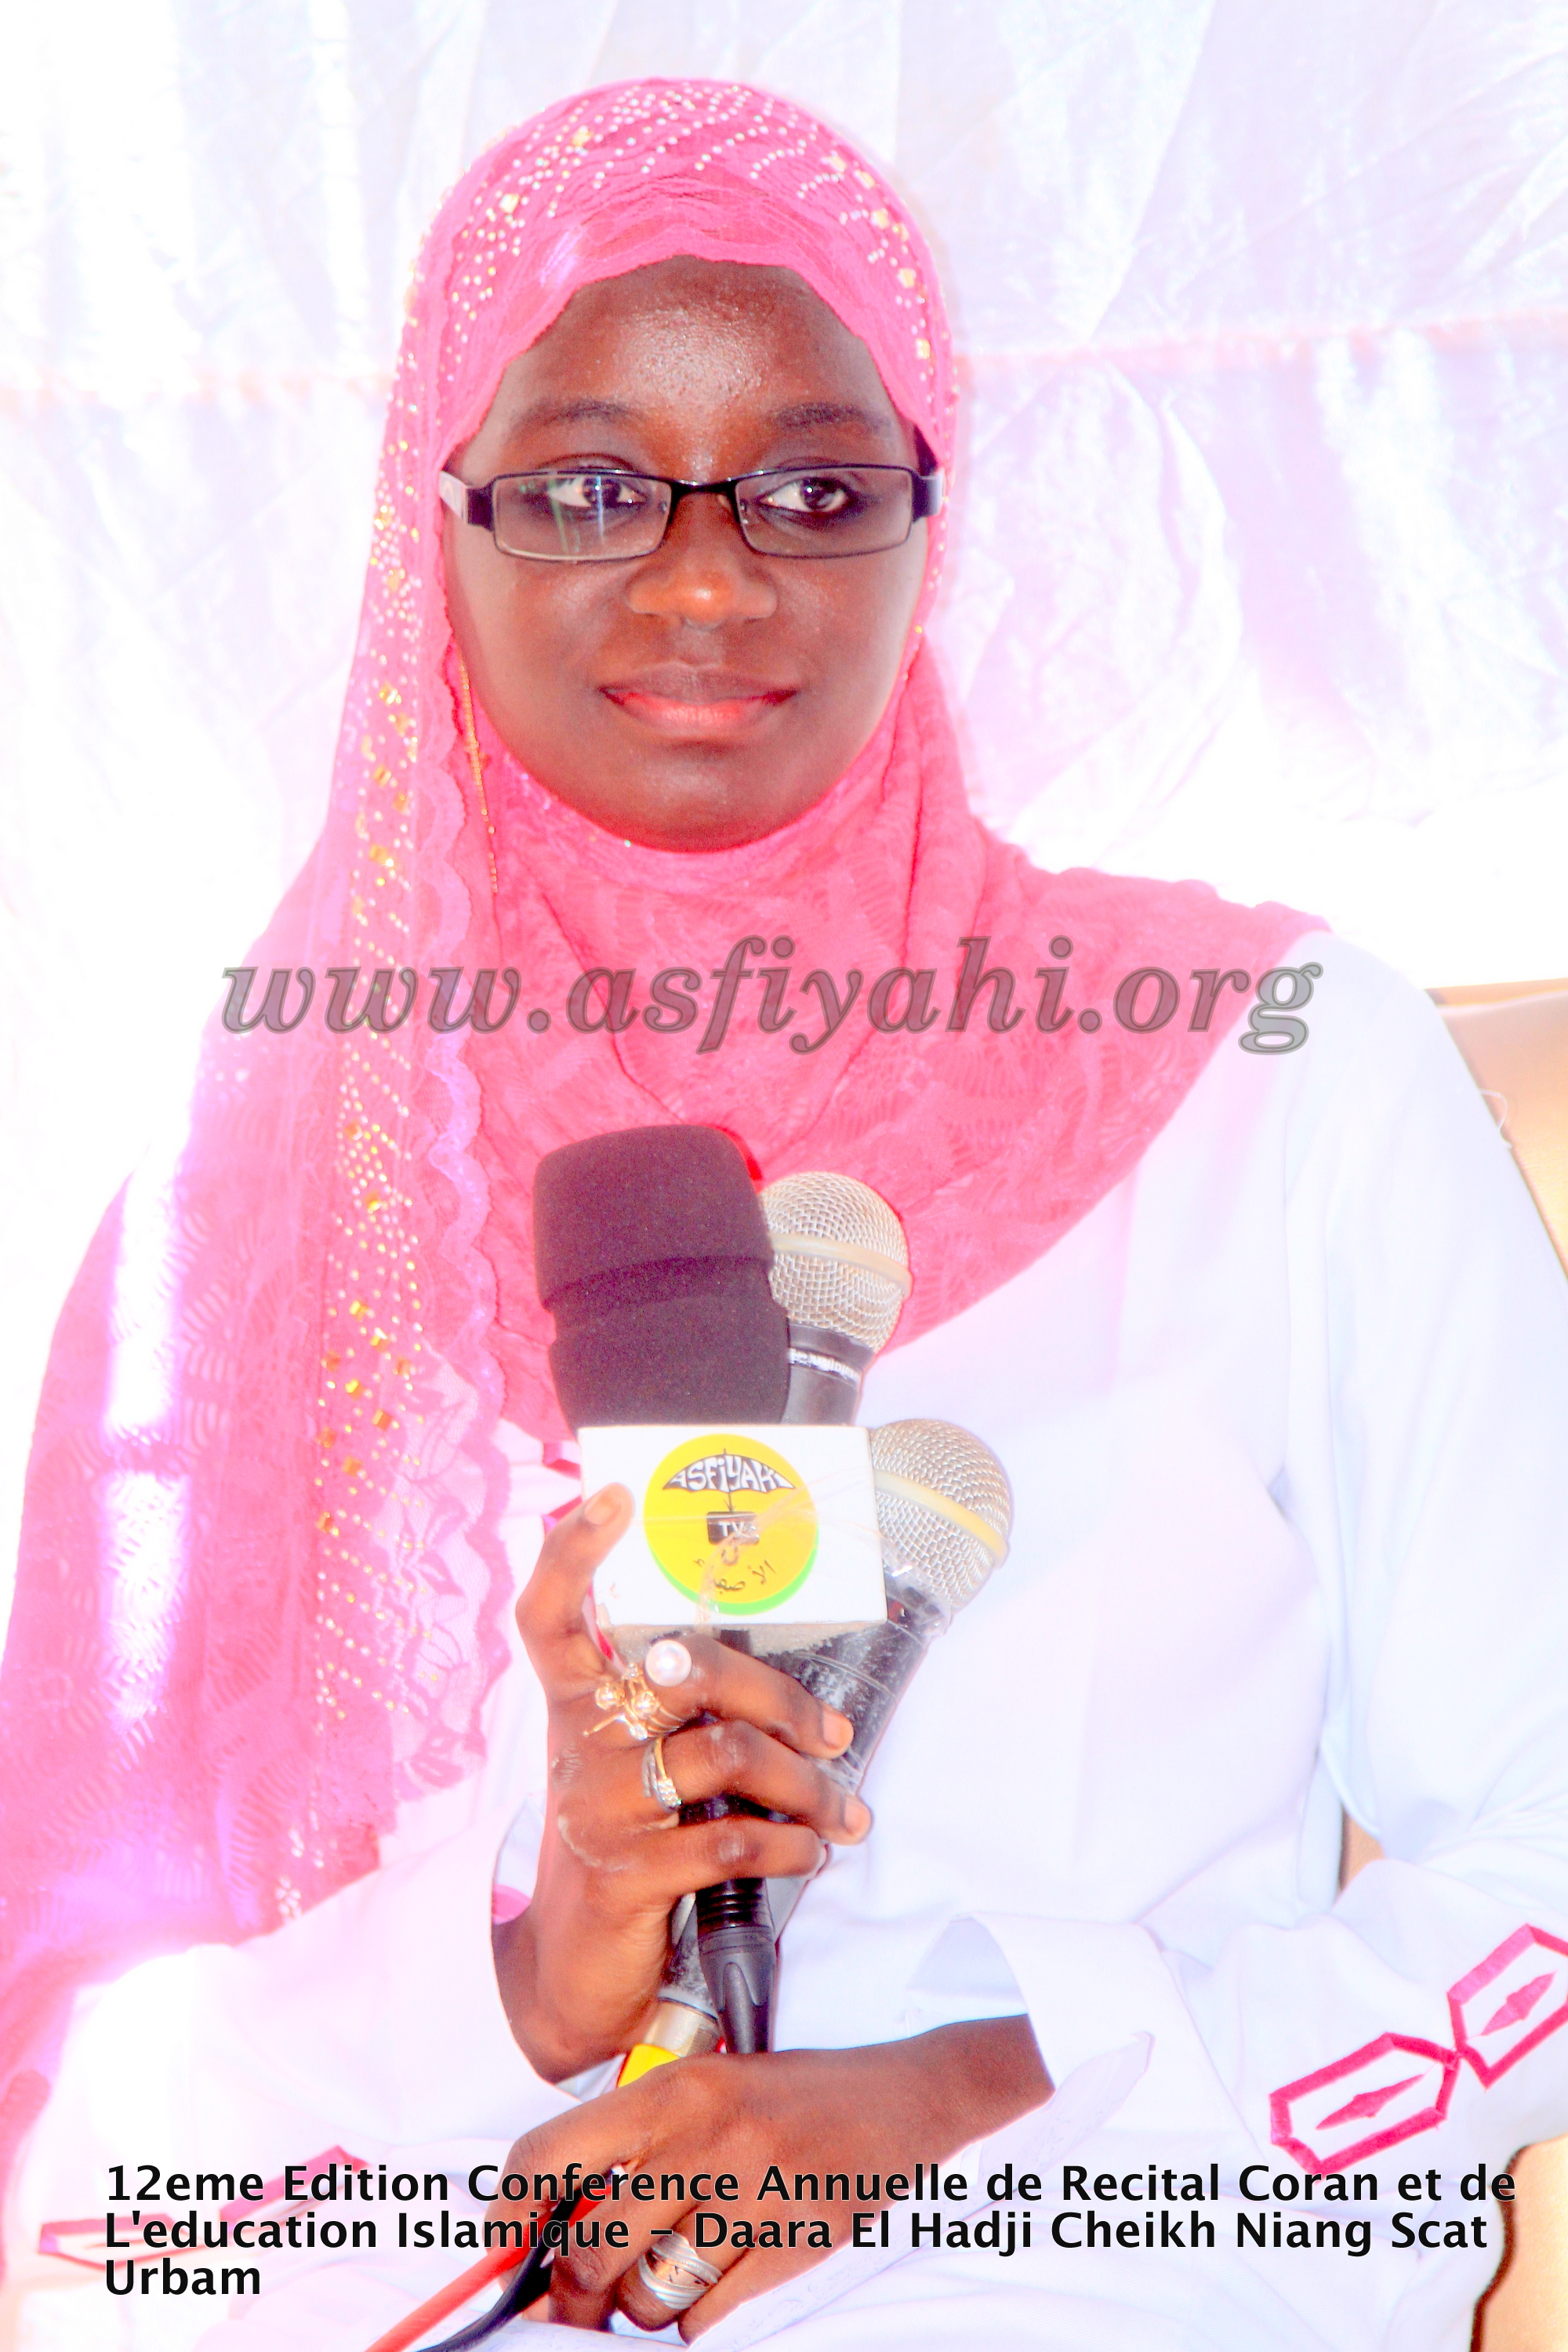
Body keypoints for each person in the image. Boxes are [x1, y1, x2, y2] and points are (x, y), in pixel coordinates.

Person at [5, 77, 1567, 2352]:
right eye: (589, 486)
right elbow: (113, 2170)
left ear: (935, 525)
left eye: (821, 485)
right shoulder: (272, 1192)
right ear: (428, 527)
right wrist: (540, 1979)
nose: (715, 574)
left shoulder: (1282, 1079)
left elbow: (1551, 1875)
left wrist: (965, 2095)